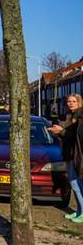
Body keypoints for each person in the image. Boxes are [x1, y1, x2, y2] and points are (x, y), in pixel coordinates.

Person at [49, 94, 83, 223]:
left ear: (79, 102)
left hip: (77, 155)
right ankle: (79, 211)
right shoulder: (70, 115)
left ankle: (82, 213)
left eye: (74, 101)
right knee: (74, 183)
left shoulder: (80, 116)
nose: (71, 103)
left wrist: (61, 131)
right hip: (69, 154)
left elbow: (77, 136)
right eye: (69, 101)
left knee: (76, 183)